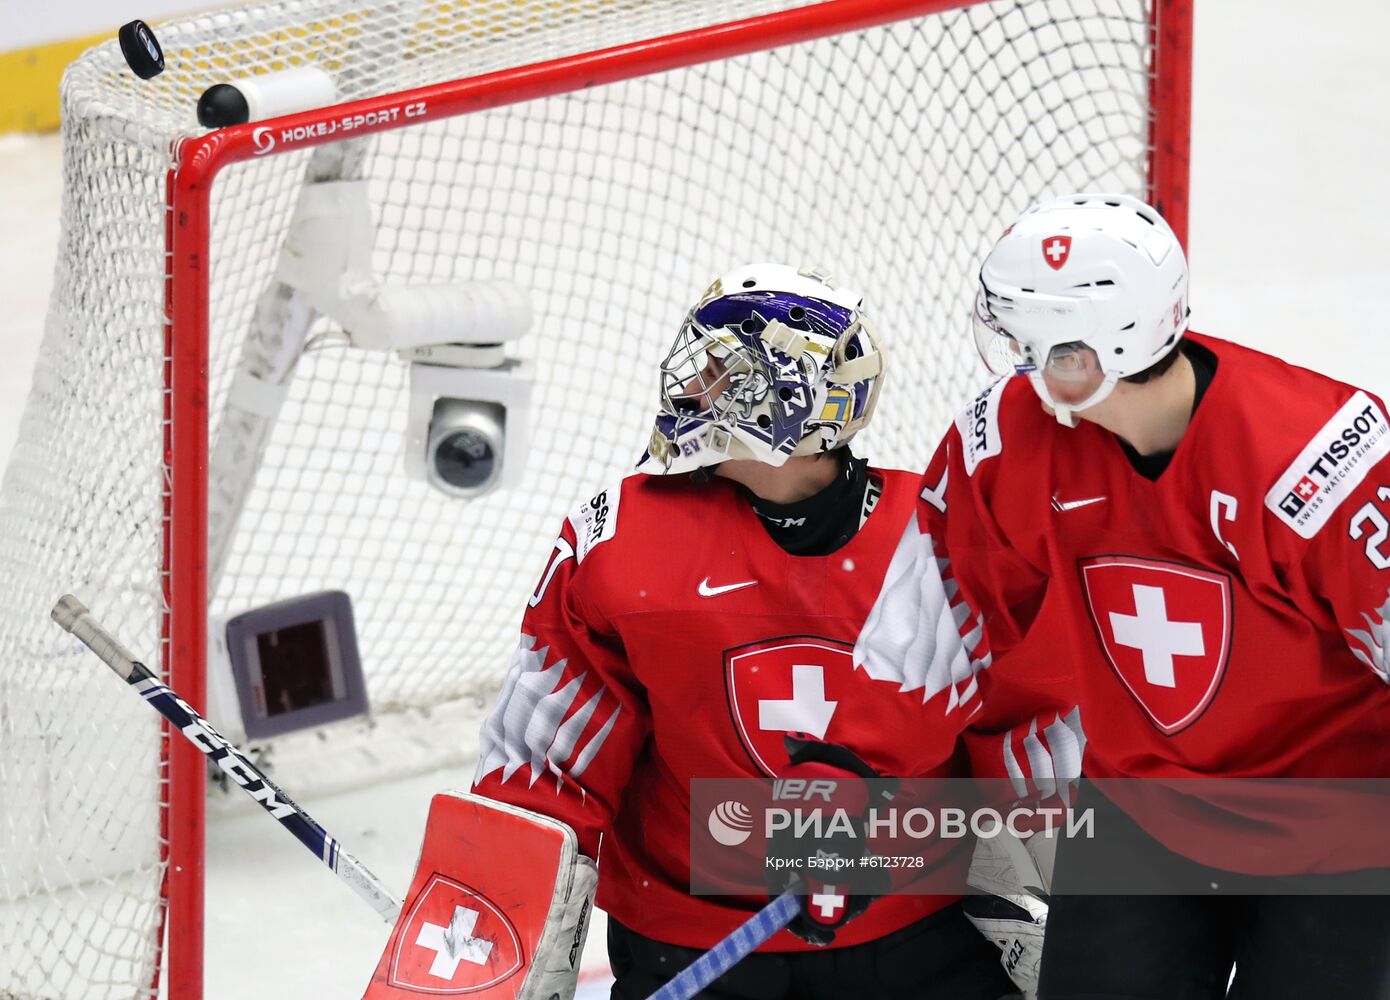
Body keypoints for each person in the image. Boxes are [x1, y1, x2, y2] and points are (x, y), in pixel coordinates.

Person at [468, 263, 1075, 999]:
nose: (693, 389)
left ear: (799, 400)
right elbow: (542, 767)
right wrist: (490, 933)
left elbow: (1033, 730)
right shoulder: (621, 537)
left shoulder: (944, 534)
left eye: (729, 374)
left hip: (918, 930)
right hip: (694, 943)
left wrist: (1099, 919)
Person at [860, 192, 1390, 997]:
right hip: (1141, 814)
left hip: (1341, 838)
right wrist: (849, 786)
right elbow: (931, 628)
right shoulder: (1012, 439)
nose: (1012, 365)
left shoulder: (1317, 464)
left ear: (1081, 356)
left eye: (1025, 345)